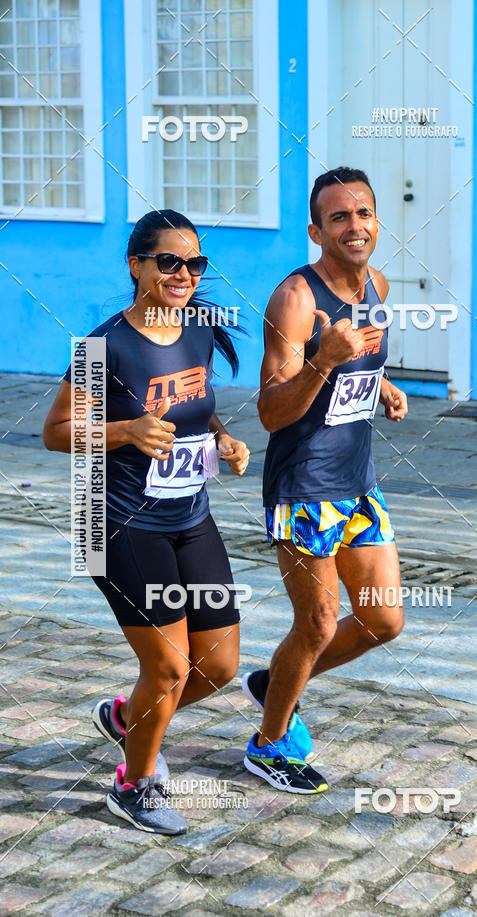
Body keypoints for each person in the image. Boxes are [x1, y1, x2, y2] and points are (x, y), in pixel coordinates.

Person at [43, 209, 249, 834]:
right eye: (169, 262)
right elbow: (54, 434)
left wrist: (223, 438)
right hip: (118, 522)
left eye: (194, 264)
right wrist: (125, 430)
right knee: (168, 667)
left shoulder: (201, 331)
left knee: (218, 664)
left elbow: (194, 409)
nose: (184, 275)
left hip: (190, 512)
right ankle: (134, 784)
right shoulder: (105, 347)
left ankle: (128, 717)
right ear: (137, 266)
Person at [242, 167, 408, 793]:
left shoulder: (378, 285)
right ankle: (267, 745)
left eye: (362, 213)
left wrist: (381, 385)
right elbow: (270, 411)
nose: (354, 226)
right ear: (316, 230)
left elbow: (357, 364)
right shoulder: (297, 300)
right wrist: (321, 359)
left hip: (358, 480)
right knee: (314, 626)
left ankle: (280, 680)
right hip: (303, 487)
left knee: (383, 620)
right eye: (338, 217)